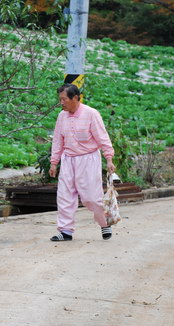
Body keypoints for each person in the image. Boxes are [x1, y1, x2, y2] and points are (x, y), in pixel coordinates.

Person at [49, 83, 115, 242]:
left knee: (91, 197)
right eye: (60, 99)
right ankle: (65, 231)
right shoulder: (61, 116)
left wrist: (109, 158)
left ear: (75, 98)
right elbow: (58, 140)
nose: (62, 103)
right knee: (64, 196)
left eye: (64, 99)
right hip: (68, 159)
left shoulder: (91, 114)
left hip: (88, 159)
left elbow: (102, 137)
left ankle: (105, 223)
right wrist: (54, 162)